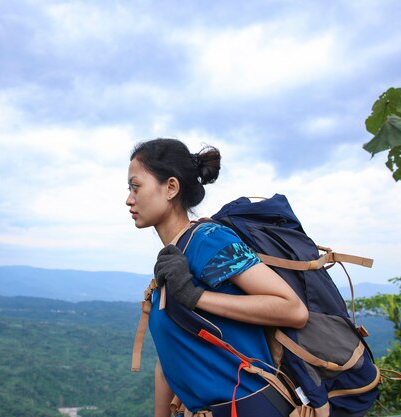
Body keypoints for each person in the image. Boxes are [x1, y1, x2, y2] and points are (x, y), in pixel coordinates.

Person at [126, 138, 309, 417]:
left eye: (136, 187)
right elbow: (169, 356)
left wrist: (196, 297)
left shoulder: (208, 241)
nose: (129, 199)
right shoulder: (173, 259)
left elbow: (293, 309)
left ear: (171, 187)